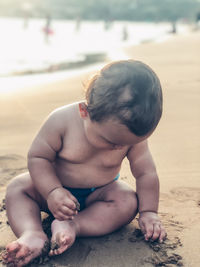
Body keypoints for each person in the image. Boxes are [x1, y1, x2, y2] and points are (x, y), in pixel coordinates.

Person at [3, 60, 166, 266]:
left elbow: (146, 173)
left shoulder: (130, 137)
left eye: (128, 143)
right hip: (52, 191)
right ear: (84, 112)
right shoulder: (61, 121)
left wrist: (149, 212)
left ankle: (74, 225)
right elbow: (38, 157)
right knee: (18, 188)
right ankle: (32, 233)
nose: (119, 148)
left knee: (127, 200)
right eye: (110, 141)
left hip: (99, 194)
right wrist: (52, 191)